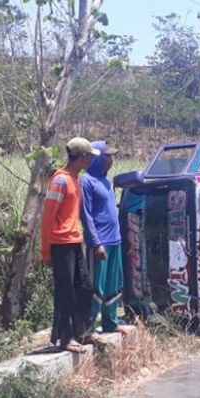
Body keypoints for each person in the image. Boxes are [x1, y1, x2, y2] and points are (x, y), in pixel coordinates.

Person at [41, 137, 100, 353]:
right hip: (60, 244)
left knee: (84, 287)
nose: (91, 160)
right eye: (90, 156)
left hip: (74, 242)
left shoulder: (75, 179)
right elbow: (48, 217)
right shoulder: (60, 181)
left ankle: (83, 331)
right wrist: (45, 249)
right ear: (82, 157)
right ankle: (66, 338)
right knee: (66, 292)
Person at [80, 141, 127, 335]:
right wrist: (95, 242)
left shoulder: (106, 181)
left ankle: (110, 322)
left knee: (113, 284)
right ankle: (91, 327)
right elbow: (86, 214)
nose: (111, 161)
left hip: (114, 241)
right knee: (96, 286)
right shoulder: (87, 181)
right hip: (100, 243)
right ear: (98, 158)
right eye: (108, 157)